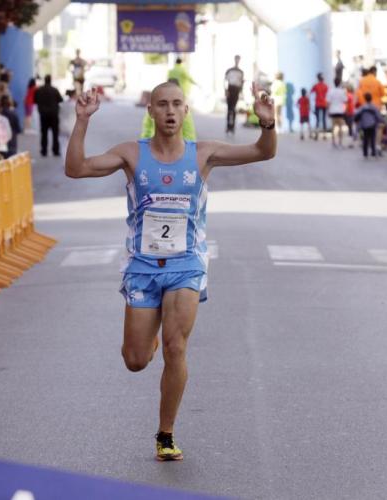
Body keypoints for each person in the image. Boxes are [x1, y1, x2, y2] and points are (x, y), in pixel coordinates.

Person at [64, 81, 276, 461]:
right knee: (135, 360)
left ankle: (165, 433)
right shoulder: (131, 154)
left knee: (176, 346)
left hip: (186, 264)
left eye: (177, 104)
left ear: (186, 111)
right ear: (151, 111)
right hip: (143, 267)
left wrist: (267, 124)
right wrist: (82, 120)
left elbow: (263, 151)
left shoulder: (203, 154)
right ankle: (147, 339)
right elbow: (76, 168)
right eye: (162, 104)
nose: (170, 111)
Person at [34, 75, 63, 157]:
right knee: (55, 134)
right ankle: (55, 150)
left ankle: (44, 150)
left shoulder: (39, 90)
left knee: (44, 133)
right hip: (54, 114)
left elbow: (35, 100)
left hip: (43, 115)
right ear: (50, 80)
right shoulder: (54, 90)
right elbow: (60, 99)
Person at [354, 92, 382, 158]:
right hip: (372, 124)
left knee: (365, 138)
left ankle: (365, 152)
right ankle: (373, 152)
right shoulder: (374, 107)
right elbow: (378, 115)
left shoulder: (363, 107)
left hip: (365, 124)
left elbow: (357, 114)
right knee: (373, 138)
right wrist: (382, 121)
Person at [223, 55, 244, 134]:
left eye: (238, 59)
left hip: (236, 90)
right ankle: (228, 126)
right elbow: (225, 80)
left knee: (234, 108)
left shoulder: (241, 72)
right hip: (230, 89)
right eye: (236, 59)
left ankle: (233, 127)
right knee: (229, 108)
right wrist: (226, 90)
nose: (237, 61)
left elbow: (241, 82)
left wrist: (241, 92)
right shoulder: (229, 70)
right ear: (234, 60)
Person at [326, 78, 348, 148]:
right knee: (340, 127)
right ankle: (340, 142)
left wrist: (328, 111)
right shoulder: (342, 91)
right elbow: (345, 100)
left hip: (333, 111)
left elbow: (328, 102)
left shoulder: (330, 91)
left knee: (333, 127)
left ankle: (333, 142)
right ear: (339, 83)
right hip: (340, 111)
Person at [310, 73, 328, 139]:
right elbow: (328, 94)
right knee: (324, 119)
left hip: (317, 104)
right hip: (324, 103)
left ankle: (317, 134)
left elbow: (311, 92)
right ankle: (324, 135)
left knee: (317, 120)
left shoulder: (316, 86)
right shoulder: (325, 86)